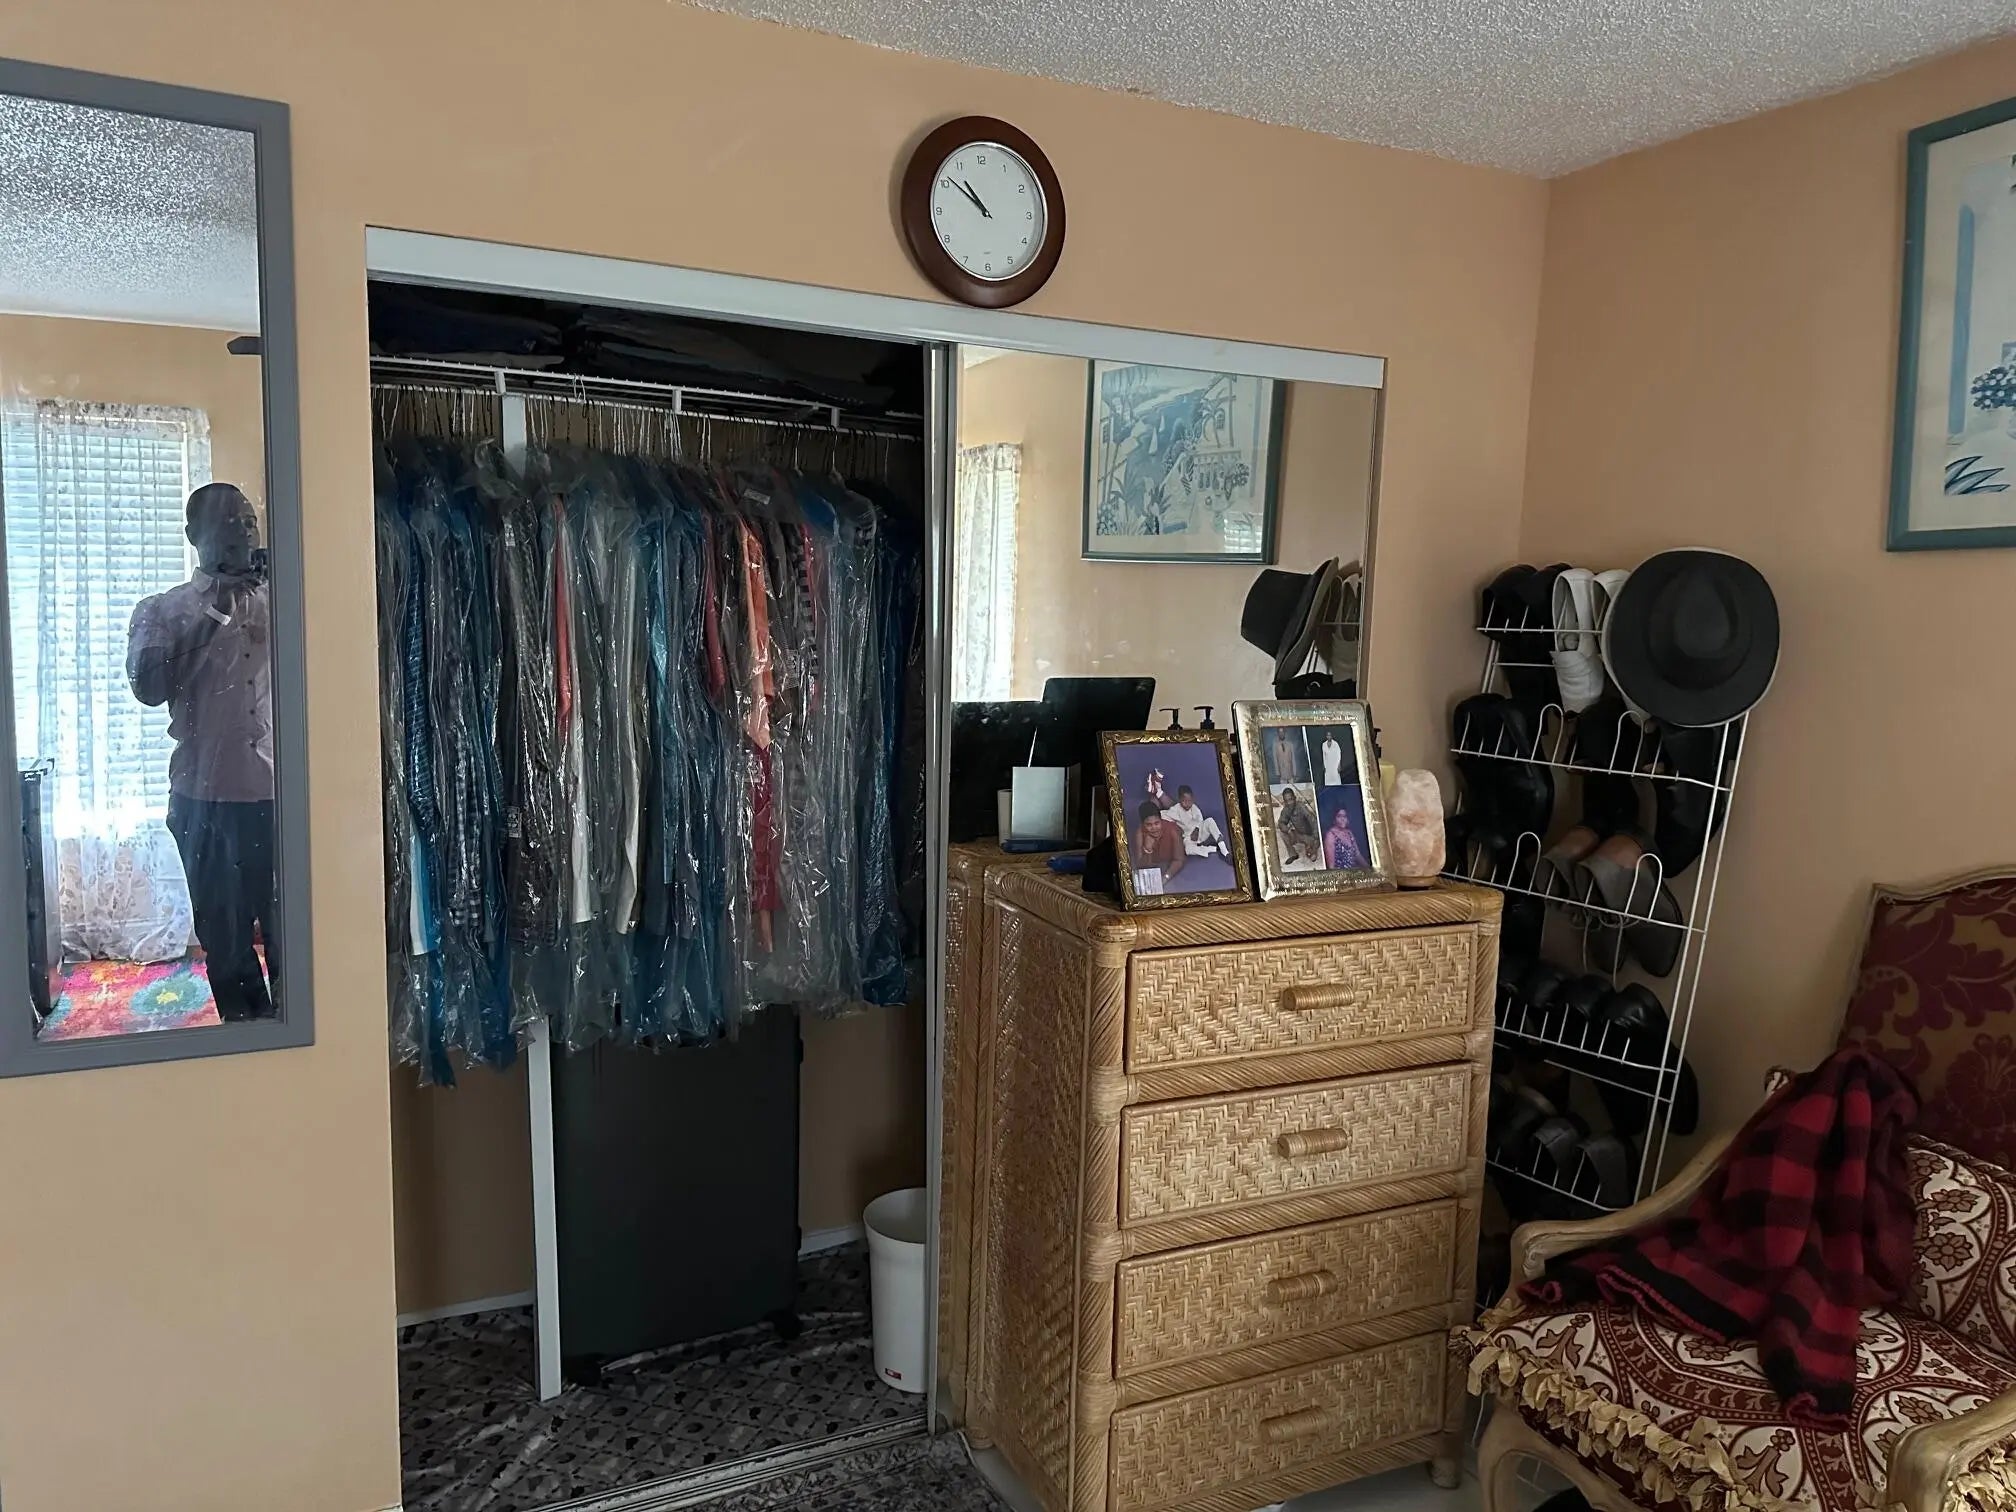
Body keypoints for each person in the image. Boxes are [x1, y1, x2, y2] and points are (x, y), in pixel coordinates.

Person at [127, 483, 278, 1022]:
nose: (243, 530)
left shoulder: (285, 600)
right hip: (204, 801)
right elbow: (149, 687)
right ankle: (247, 1041)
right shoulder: (163, 611)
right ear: (194, 535)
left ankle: (299, 1050)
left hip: (281, 797)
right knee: (227, 941)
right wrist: (217, 609)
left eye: (248, 519)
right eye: (227, 520)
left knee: (295, 937)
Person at [1130, 799, 1185, 894]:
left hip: (1172, 863)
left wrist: (1165, 878)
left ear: (1161, 820)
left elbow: (1179, 860)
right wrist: (1148, 849)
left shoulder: (1172, 830)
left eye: (1157, 823)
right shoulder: (1140, 833)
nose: (1154, 828)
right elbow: (1140, 864)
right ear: (1143, 824)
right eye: (1149, 825)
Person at [1162, 784, 1230, 858]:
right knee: (1188, 850)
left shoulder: (1194, 808)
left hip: (1199, 832)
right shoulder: (1175, 809)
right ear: (1179, 799)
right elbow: (1164, 815)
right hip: (1188, 838)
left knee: (1210, 821)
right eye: (1184, 801)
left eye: (1189, 801)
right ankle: (1213, 849)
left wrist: (1197, 829)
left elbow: (1200, 820)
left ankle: (1224, 850)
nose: (1187, 804)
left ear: (1193, 799)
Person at [1276, 786, 1320, 865]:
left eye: (1290, 799)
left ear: (1295, 798)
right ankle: (1293, 854)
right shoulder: (1286, 810)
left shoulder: (1301, 807)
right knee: (1282, 833)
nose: (1289, 803)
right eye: (1286, 801)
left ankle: (1310, 847)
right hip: (1298, 835)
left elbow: (1313, 821)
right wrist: (1289, 831)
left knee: (1312, 857)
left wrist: (1316, 837)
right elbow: (1281, 823)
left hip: (1310, 836)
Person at [1325, 798, 1368, 870]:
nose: (1342, 819)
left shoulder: (1349, 832)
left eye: (1344, 816)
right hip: (1341, 874)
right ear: (1334, 818)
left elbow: (1357, 854)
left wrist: (1369, 868)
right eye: (1339, 816)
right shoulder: (1330, 835)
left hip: (1354, 872)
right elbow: (1331, 867)